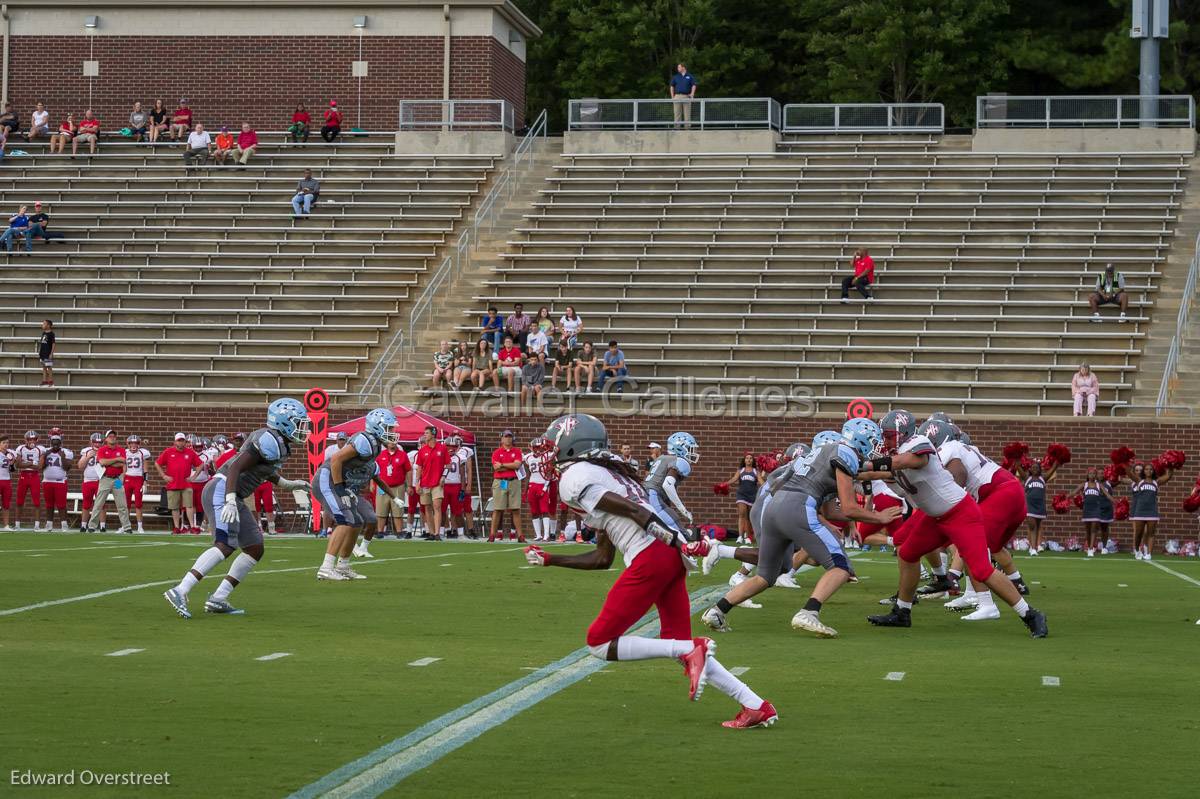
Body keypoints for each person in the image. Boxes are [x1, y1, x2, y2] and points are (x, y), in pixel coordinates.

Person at [525, 414, 777, 728]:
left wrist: (671, 537)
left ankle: (692, 649)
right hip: (666, 559)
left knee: (600, 642)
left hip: (653, 556)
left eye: (554, 445)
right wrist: (551, 559)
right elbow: (603, 557)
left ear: (574, 447)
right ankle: (755, 705)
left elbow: (634, 511)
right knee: (678, 645)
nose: (548, 453)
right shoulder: (609, 475)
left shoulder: (574, 477)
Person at [700, 421, 901, 638]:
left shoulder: (823, 454)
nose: (876, 447)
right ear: (859, 439)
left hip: (774, 509)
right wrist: (878, 516)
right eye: (873, 442)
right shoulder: (845, 452)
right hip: (798, 507)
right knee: (840, 567)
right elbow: (851, 508)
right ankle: (809, 612)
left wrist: (892, 473)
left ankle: (717, 610)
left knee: (768, 575)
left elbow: (833, 511)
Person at [861, 412, 1048, 637]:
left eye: (890, 435)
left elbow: (907, 461)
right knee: (908, 553)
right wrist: (852, 469)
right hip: (935, 516)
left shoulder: (918, 444)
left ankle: (1030, 614)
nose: (886, 441)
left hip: (960, 513)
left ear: (904, 433)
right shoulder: (897, 454)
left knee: (981, 569)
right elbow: (878, 472)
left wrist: (869, 463)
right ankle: (902, 610)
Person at [163, 398, 311, 618]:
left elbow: (262, 470)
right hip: (222, 488)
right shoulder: (268, 439)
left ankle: (218, 598)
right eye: (298, 423)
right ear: (283, 422)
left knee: (254, 547)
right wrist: (231, 499)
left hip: (233, 493)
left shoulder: (278, 442)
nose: (303, 429)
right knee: (225, 544)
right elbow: (236, 468)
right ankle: (180, 590)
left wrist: (287, 484)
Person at [313, 408, 402, 581]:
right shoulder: (365, 440)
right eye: (390, 428)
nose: (393, 432)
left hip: (341, 483)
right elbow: (337, 459)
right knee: (346, 519)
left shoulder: (374, 445)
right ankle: (326, 567)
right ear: (377, 427)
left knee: (357, 522)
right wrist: (339, 488)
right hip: (327, 479)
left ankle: (343, 565)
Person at [643, 431, 697, 538]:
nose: (693, 452)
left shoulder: (662, 458)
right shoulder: (680, 461)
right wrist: (682, 509)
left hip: (643, 493)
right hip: (653, 495)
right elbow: (667, 484)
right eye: (690, 449)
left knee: (655, 531)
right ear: (681, 448)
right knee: (677, 531)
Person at [155, 432, 202, 534]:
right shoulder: (168, 452)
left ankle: (192, 526)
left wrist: (194, 477)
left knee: (189, 506)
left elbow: (200, 464)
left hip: (186, 484)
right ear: (175, 442)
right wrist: (164, 476)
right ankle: (176, 527)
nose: (181, 443)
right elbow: (157, 463)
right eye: (179, 440)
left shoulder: (190, 452)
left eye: (182, 440)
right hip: (173, 484)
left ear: (185, 442)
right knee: (174, 507)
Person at [369, 436, 411, 548]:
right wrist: (372, 483)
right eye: (390, 441)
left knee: (398, 510)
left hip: (398, 486)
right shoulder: (380, 455)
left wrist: (409, 485)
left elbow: (408, 470)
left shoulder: (402, 455)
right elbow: (373, 470)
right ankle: (380, 531)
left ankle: (399, 531)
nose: (392, 443)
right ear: (386, 443)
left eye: (394, 441)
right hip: (382, 486)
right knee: (381, 510)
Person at [87, 429, 132, 534]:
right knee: (99, 503)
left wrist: (110, 462)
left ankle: (126, 527)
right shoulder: (102, 449)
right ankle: (92, 526)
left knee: (122, 504)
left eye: (114, 436)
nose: (112, 437)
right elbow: (102, 462)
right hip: (105, 478)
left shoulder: (121, 450)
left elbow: (123, 463)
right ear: (106, 439)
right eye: (110, 436)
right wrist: (117, 459)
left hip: (117, 479)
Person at [414, 425, 450, 541]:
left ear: (433, 434)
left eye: (427, 433)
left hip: (437, 483)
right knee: (427, 508)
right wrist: (417, 483)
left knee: (437, 506)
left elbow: (448, 465)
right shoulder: (422, 450)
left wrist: (444, 476)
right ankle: (431, 532)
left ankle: (437, 533)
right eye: (425, 433)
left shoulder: (442, 448)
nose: (425, 435)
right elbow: (419, 468)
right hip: (424, 483)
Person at [1131, 461, 1173, 561]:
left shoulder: (1156, 482)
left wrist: (1172, 466)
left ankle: (1149, 554)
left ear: (1153, 471)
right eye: (1146, 469)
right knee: (1139, 533)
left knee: (1151, 533)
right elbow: (1129, 473)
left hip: (1152, 511)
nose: (1148, 471)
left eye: (1150, 469)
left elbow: (1168, 476)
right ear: (1143, 471)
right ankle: (1137, 550)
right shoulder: (1139, 480)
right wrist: (1124, 464)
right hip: (1140, 511)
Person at [489, 430, 524, 542]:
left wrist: (503, 465)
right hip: (501, 482)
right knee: (498, 509)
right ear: (502, 438)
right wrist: (511, 466)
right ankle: (492, 535)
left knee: (515, 509)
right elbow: (496, 468)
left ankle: (520, 536)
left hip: (513, 481)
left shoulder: (517, 451)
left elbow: (517, 465)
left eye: (510, 436)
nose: (508, 438)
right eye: (506, 436)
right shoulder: (497, 452)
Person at [1021, 460, 1057, 556]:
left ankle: (1034, 547)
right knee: (1032, 526)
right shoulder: (1027, 478)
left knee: (1037, 527)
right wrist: (1016, 460)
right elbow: (1018, 467)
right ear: (1030, 470)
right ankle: (1033, 548)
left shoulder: (1043, 478)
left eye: (1037, 468)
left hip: (1040, 507)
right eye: (1033, 468)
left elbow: (1053, 468)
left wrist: (1057, 461)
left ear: (1040, 469)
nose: (1035, 469)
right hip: (1030, 506)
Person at [724, 454, 763, 545]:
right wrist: (725, 484)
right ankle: (740, 536)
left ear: (753, 461)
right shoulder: (740, 471)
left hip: (752, 496)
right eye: (747, 458)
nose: (749, 460)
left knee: (749, 517)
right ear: (744, 460)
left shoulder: (755, 471)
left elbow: (761, 481)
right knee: (742, 514)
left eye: (750, 458)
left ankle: (748, 536)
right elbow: (734, 479)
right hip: (741, 495)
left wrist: (768, 487)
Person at [442, 434, 475, 539]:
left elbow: (462, 473)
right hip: (443, 485)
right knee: (442, 510)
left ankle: (461, 533)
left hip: (456, 485)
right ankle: (442, 531)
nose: (451, 449)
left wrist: (463, 488)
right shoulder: (441, 456)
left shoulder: (460, 457)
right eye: (449, 446)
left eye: (454, 447)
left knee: (457, 511)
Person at [38, 433, 72, 532]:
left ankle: (64, 525)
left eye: (57, 444)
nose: (55, 446)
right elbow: (40, 467)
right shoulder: (45, 452)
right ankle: (49, 525)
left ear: (60, 443)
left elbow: (67, 467)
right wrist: (45, 456)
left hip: (60, 481)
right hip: (47, 481)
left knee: (61, 505)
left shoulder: (66, 452)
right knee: (49, 505)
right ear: (51, 443)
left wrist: (62, 457)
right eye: (54, 444)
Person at [13, 431, 45, 530]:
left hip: (34, 476)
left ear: (37, 439)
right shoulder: (20, 448)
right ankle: (17, 525)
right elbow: (18, 465)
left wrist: (26, 463)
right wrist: (32, 463)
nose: (32, 441)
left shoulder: (40, 449)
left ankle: (37, 525)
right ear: (26, 440)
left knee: (36, 501)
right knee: (19, 500)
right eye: (30, 439)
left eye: (34, 439)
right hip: (24, 475)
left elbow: (39, 467)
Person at [123, 434, 152, 534]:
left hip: (138, 479)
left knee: (138, 504)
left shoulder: (143, 453)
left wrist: (145, 482)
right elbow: (122, 470)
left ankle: (140, 526)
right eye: (131, 443)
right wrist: (118, 484)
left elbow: (146, 469)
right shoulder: (124, 453)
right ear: (128, 444)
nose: (134, 445)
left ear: (139, 444)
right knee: (125, 504)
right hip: (127, 478)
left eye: (136, 443)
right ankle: (125, 525)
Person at [76, 433, 102, 533]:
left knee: (101, 504)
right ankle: (83, 525)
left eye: (99, 442)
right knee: (86, 503)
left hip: (101, 481)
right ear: (91, 442)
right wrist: (88, 457)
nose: (97, 444)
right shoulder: (86, 451)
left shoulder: (105, 451)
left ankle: (102, 526)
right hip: (88, 480)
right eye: (95, 442)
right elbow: (80, 466)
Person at [668, 63, 697, 129]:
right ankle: (677, 128)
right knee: (677, 113)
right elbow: (671, 86)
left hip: (686, 96)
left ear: (683, 68)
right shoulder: (676, 76)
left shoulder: (690, 76)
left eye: (679, 67)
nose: (678, 68)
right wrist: (672, 97)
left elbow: (694, 85)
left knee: (687, 113)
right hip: (677, 96)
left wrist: (692, 94)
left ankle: (687, 129)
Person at [36, 319, 55, 387]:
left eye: (44, 324)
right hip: (42, 353)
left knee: (49, 367)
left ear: (48, 325)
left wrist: (51, 353)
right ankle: (44, 381)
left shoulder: (51, 334)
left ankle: (50, 381)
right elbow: (42, 343)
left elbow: (53, 344)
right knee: (44, 367)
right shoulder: (43, 333)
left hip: (48, 353)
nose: (42, 325)